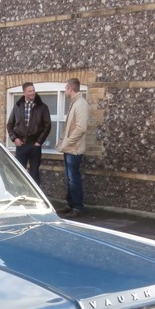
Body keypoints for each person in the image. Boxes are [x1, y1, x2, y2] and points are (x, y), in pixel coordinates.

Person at [56, 78, 89, 217]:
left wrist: (68, 142)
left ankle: (77, 207)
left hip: (74, 149)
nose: (65, 91)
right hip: (69, 148)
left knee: (74, 178)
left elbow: (81, 128)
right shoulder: (75, 103)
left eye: (65, 88)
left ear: (70, 89)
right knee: (70, 178)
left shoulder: (80, 104)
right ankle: (70, 204)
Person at [6, 82, 51, 183]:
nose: (32, 93)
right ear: (24, 93)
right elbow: (10, 125)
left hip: (35, 145)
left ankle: (35, 197)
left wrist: (39, 142)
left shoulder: (42, 107)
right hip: (21, 145)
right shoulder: (17, 106)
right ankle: (21, 195)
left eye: (33, 90)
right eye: (29, 91)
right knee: (20, 173)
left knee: (34, 173)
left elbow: (47, 126)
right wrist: (14, 138)